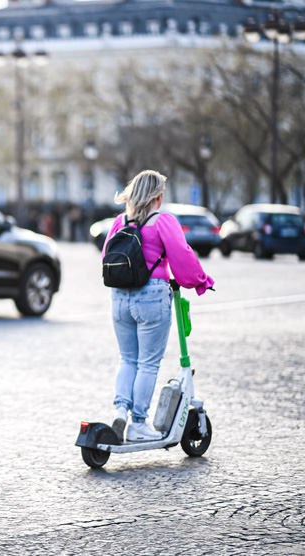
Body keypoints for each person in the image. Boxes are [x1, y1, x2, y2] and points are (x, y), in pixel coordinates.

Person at [102, 170, 214, 442]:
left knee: (127, 359)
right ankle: (138, 423)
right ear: (158, 197)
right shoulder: (163, 221)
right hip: (151, 296)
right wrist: (201, 281)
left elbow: (107, 255)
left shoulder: (119, 222)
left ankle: (120, 411)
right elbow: (182, 255)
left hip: (119, 297)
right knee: (148, 363)